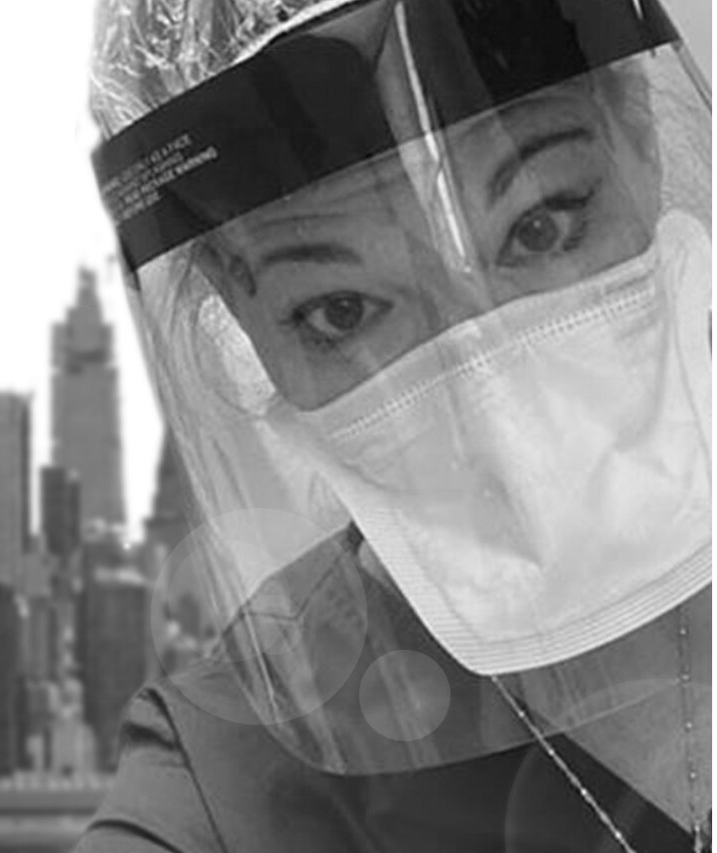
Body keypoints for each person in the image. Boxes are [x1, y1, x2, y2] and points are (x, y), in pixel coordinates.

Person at [78, 0, 711, 850]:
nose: (502, 429)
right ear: (239, 308)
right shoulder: (226, 781)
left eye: (541, 223)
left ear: (638, 128)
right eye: (342, 313)